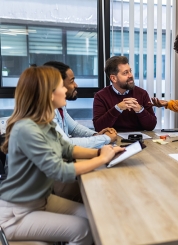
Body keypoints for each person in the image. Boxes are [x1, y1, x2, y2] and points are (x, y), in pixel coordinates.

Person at [0, 66, 125, 244]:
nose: (66, 89)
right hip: (17, 214)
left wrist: (102, 151)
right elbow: (59, 170)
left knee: (95, 218)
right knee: (83, 230)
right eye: (61, 86)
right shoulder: (27, 129)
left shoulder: (43, 123)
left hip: (40, 200)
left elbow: (67, 148)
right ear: (49, 94)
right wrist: (101, 159)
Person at [44, 61, 117, 149]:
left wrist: (96, 135)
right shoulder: (45, 110)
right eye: (71, 81)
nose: (76, 85)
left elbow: (74, 128)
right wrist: (105, 138)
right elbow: (65, 143)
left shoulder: (58, 106)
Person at [93, 56, 157, 132]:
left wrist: (140, 110)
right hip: (113, 140)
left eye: (130, 71)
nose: (130, 75)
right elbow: (98, 128)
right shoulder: (100, 96)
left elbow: (151, 126)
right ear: (113, 78)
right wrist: (117, 108)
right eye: (125, 73)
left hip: (139, 139)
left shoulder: (142, 93)